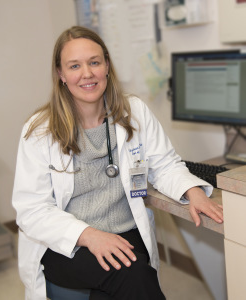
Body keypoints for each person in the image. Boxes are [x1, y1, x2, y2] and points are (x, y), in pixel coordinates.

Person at [12, 26, 223, 300]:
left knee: (116, 286)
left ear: (107, 66)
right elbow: (32, 210)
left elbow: (165, 163)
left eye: (94, 62)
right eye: (74, 66)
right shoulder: (40, 130)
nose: (87, 73)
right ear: (60, 74)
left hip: (126, 230)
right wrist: (88, 235)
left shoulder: (133, 112)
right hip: (68, 242)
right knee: (132, 274)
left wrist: (192, 191)